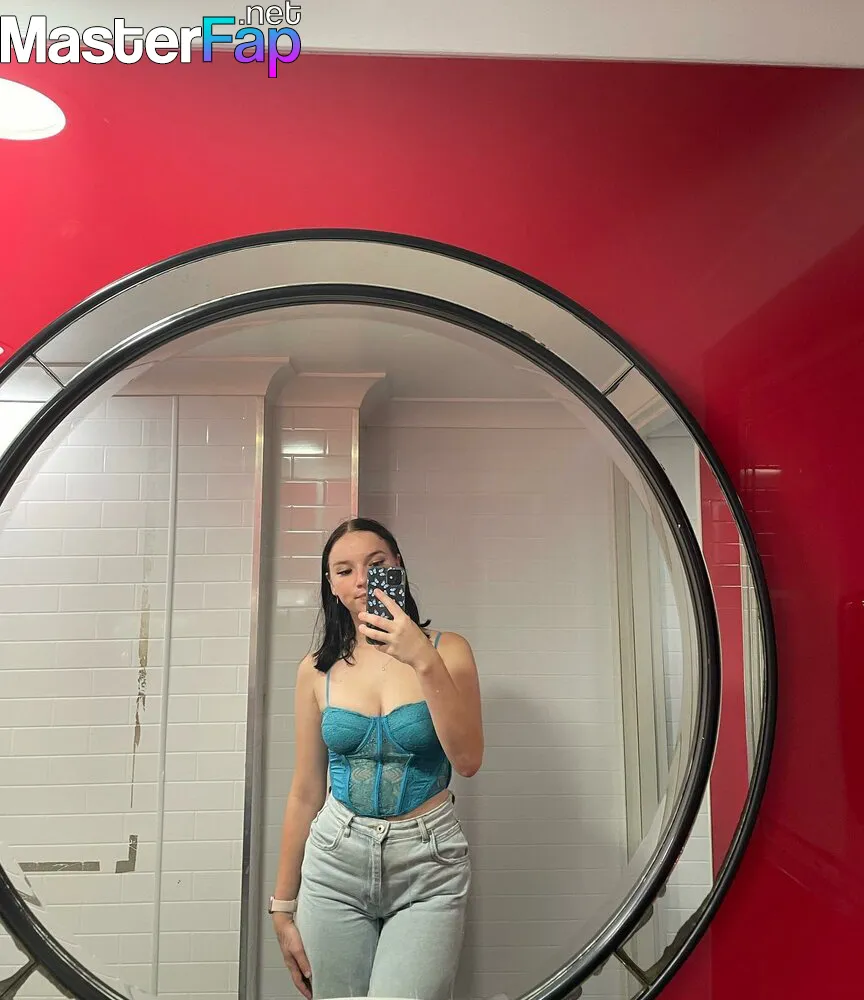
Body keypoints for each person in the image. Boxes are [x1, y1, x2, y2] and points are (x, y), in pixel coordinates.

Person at [270, 517, 484, 1000]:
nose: (362, 579)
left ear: (398, 567)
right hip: (334, 860)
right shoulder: (316, 670)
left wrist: (421, 657)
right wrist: (282, 905)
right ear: (331, 585)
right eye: (344, 570)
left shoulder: (448, 651)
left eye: (376, 564)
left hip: (427, 863)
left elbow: (468, 759)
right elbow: (305, 790)